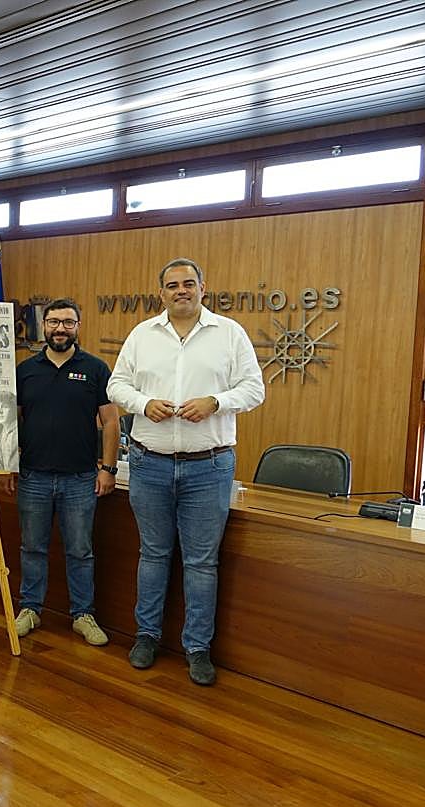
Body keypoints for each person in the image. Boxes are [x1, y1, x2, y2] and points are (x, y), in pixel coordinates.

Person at [108, 258, 265, 685]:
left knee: (201, 562)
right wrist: (143, 404)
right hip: (149, 464)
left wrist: (216, 401)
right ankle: (146, 636)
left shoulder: (229, 333)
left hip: (208, 467)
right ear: (161, 292)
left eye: (189, 283)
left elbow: (254, 389)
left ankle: (197, 648)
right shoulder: (142, 334)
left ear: (202, 288)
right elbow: (116, 385)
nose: (181, 290)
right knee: (153, 554)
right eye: (173, 285)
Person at [0, 298, 118, 647]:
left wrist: (108, 468)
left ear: (78, 327)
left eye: (68, 322)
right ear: (44, 326)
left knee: (80, 550)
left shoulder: (95, 369)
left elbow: (111, 422)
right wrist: (7, 464)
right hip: (33, 477)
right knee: (32, 548)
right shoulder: (25, 370)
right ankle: (31, 609)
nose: (60, 328)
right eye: (54, 322)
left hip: (80, 479)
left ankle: (83, 614)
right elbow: (9, 421)